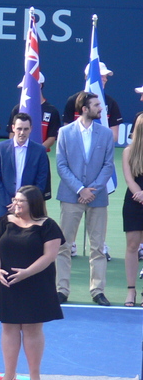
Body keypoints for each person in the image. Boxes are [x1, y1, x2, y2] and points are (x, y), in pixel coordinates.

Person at [0, 185, 64, 380]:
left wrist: (26, 273)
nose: (16, 203)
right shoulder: (4, 221)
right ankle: (9, 374)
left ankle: (34, 377)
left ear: (33, 204)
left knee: (32, 329)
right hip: (8, 284)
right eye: (15, 199)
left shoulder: (48, 226)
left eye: (21, 201)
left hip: (36, 284)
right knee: (9, 327)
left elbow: (49, 256)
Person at [55, 91, 115, 305]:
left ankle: (97, 291)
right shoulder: (64, 132)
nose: (101, 108)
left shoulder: (106, 134)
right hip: (71, 197)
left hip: (97, 199)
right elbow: (61, 165)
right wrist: (80, 189)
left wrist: (93, 190)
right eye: (97, 105)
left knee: (97, 247)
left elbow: (109, 165)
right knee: (64, 245)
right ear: (84, 109)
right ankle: (62, 289)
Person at [0, 112, 50, 220]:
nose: (22, 132)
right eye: (19, 128)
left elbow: (41, 180)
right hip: (4, 208)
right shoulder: (0, 148)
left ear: (31, 129)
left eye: (26, 129)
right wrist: (10, 203)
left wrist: (24, 203)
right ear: (13, 128)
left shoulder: (40, 151)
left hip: (29, 209)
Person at [61, 62, 123, 142]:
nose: (105, 79)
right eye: (101, 76)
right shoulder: (73, 101)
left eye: (106, 76)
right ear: (88, 77)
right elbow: (67, 133)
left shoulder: (111, 103)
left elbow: (114, 136)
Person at [121, 113, 143, 306]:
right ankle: (131, 290)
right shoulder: (128, 152)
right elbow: (129, 180)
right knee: (132, 246)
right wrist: (141, 194)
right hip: (134, 202)